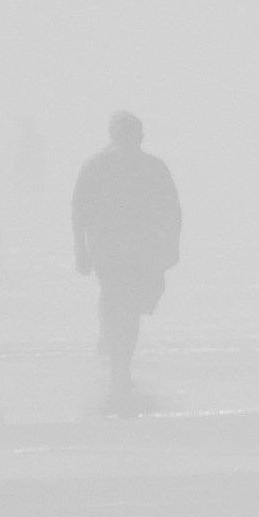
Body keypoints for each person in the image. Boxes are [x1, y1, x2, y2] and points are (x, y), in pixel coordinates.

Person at [72, 112, 184, 406]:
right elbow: (173, 210)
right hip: (131, 250)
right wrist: (171, 245)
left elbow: (78, 210)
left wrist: (80, 249)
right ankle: (121, 367)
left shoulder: (100, 165)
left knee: (119, 303)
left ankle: (118, 364)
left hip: (115, 248)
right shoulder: (145, 166)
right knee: (127, 307)